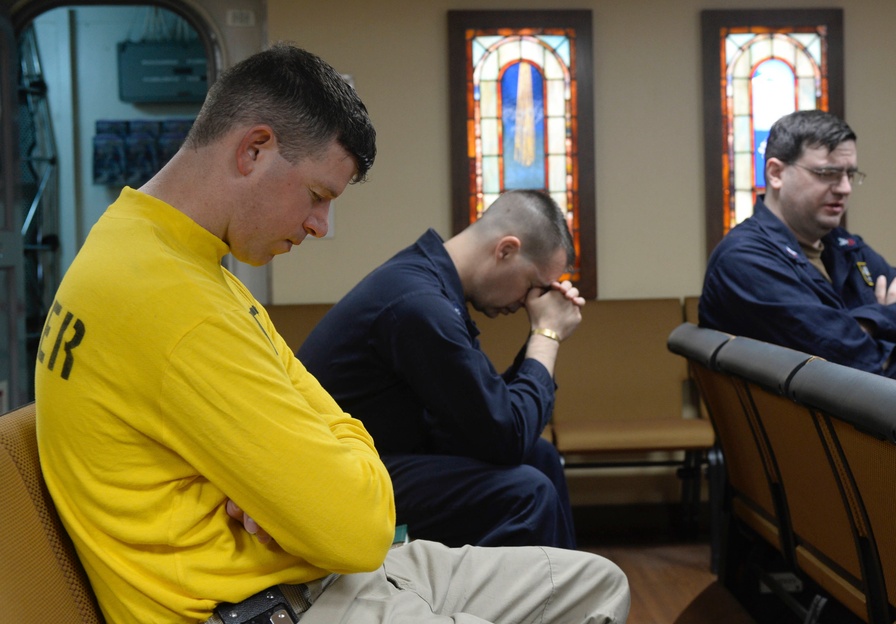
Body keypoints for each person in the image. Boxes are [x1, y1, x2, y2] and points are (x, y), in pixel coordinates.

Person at [33, 43, 629, 624]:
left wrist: (317, 475)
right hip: (269, 602)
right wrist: (330, 472)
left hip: (314, 572)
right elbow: (362, 529)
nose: (320, 225)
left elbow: (331, 422)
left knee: (599, 582)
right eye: (318, 197)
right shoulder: (175, 306)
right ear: (255, 150)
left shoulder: (154, 252)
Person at [297, 190, 582, 550]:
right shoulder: (420, 305)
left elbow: (489, 420)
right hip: (337, 478)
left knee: (539, 458)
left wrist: (541, 337)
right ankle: (526, 605)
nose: (530, 301)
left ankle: (566, 601)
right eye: (534, 285)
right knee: (527, 493)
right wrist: (547, 335)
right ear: (506, 250)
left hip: (382, 456)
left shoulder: (430, 284)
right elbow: (504, 435)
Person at [699, 109, 896, 383]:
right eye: (827, 173)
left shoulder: (843, 245)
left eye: (850, 174)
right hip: (837, 422)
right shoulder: (744, 259)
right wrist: (892, 326)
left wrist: (868, 323)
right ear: (776, 173)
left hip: (883, 413)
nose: (845, 188)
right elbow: (857, 363)